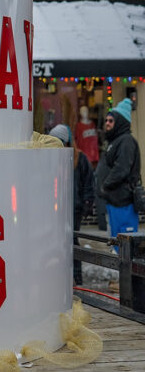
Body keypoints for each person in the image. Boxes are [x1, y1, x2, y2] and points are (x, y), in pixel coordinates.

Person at [49, 124, 95, 285]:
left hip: (74, 208)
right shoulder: (51, 160)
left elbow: (89, 183)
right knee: (57, 243)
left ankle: (77, 277)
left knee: (72, 242)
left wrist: (87, 203)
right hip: (56, 208)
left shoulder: (79, 159)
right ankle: (59, 277)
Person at [94, 98, 141, 244]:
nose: (107, 123)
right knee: (116, 242)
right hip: (114, 201)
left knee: (125, 245)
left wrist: (105, 185)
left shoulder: (126, 141)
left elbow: (122, 168)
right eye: (106, 120)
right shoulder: (115, 141)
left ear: (119, 122)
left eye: (111, 121)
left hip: (124, 203)